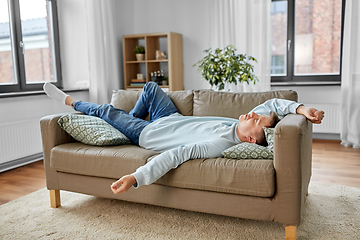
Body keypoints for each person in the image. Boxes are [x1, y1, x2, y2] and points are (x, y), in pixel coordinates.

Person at [43, 82, 324, 195]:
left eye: (257, 121)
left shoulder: (220, 145)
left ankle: (71, 101)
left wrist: (136, 177)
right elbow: (273, 104)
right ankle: (127, 118)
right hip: (169, 119)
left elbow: (175, 155)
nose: (253, 115)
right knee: (152, 86)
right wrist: (301, 109)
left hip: (147, 133)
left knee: (106, 110)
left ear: (251, 141)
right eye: (255, 114)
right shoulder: (241, 123)